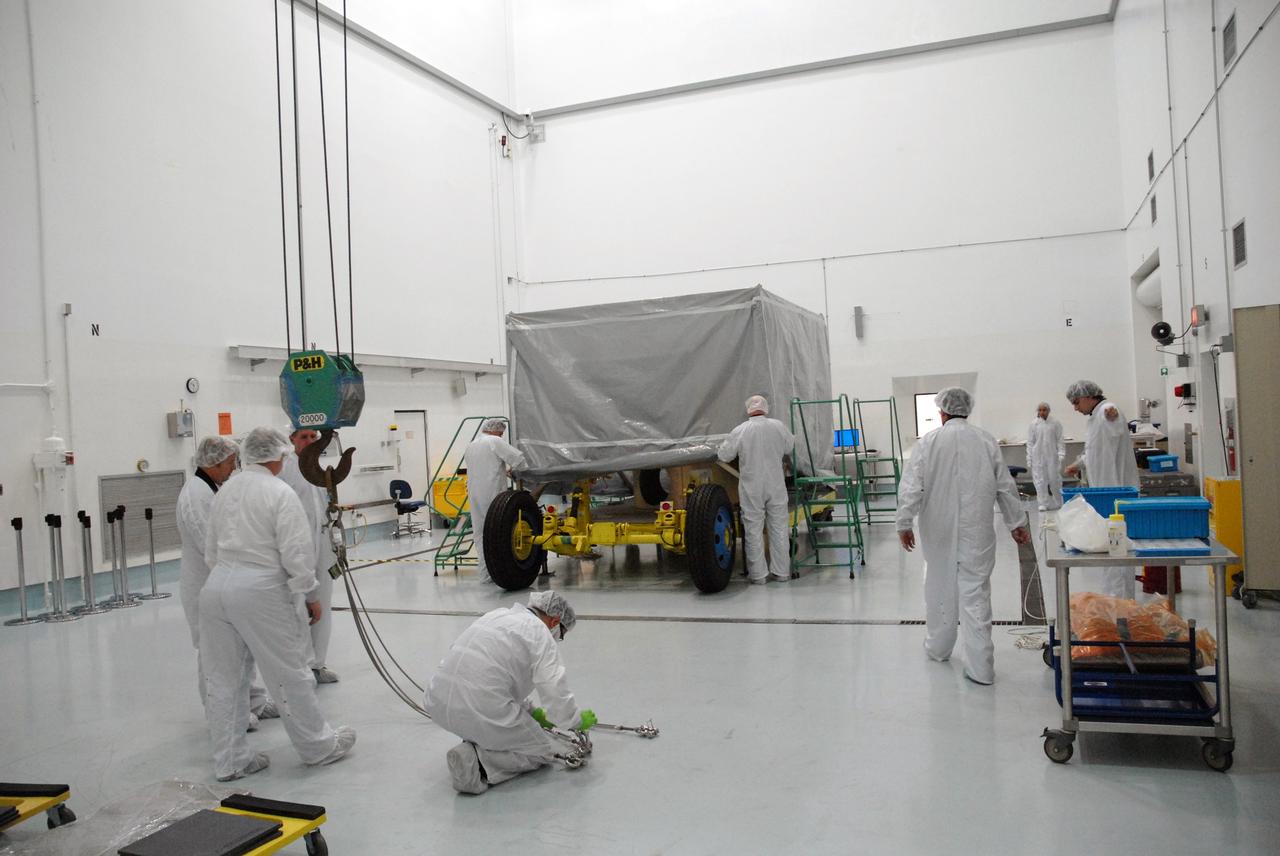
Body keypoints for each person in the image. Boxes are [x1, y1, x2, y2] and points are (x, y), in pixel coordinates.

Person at [199, 427, 355, 781]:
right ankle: (318, 747)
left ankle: (230, 761)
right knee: (289, 672)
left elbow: (210, 549)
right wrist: (310, 595)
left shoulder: (226, 490)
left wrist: (231, 578)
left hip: (216, 588)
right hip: (260, 589)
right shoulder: (279, 492)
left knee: (225, 680)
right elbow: (296, 553)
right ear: (278, 456)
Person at [895, 388, 1031, 685]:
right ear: (966, 410)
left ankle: (939, 648)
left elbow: (912, 486)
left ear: (942, 412)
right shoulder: (985, 440)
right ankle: (981, 668)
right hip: (977, 529)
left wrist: (904, 522)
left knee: (939, 586)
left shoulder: (928, 442)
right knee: (975, 591)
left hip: (938, 530)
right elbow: (1004, 486)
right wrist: (1016, 522)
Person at [424, 590, 596, 794]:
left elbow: (496, 675)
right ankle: (477, 763)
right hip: (478, 707)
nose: (559, 638)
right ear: (554, 621)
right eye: (562, 633)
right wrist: (574, 720)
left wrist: (532, 713)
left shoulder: (497, 615)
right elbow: (553, 685)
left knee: (497, 719)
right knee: (540, 750)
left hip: (437, 701)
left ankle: (481, 737)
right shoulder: (540, 633)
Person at [176, 436, 276, 727]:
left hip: (223, 582)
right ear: (215, 463)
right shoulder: (196, 495)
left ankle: (253, 701)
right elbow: (211, 545)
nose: (233, 469)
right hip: (205, 585)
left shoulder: (212, 489)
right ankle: (223, 715)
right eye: (231, 464)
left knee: (241, 647)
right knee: (214, 655)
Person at [1064, 380, 1140, 599]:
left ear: (1089, 397)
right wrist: (1077, 465)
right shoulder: (1096, 417)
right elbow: (1095, 453)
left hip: (1116, 492)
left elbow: (1113, 425)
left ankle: (1120, 604)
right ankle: (1115, 600)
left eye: (1076, 402)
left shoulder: (1106, 412)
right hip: (1107, 493)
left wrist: (1112, 413)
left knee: (1117, 549)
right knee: (1113, 548)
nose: (1075, 408)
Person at [279, 427, 339, 683]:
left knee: (322, 602)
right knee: (298, 606)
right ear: (291, 439)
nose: (310, 441)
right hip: (297, 546)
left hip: (323, 543)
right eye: (304, 437)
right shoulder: (285, 469)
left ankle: (318, 664)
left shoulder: (321, 469)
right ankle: (301, 667)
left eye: (313, 437)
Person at [718, 395, 795, 584]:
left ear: (748, 410)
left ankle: (759, 576)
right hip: (775, 484)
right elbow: (790, 446)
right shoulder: (778, 426)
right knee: (778, 529)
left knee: (753, 530)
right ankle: (782, 573)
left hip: (752, 486)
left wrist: (718, 447)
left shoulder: (740, 430)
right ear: (766, 408)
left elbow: (725, 455)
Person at [465, 419, 526, 583]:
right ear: (495, 431)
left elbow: (486, 466)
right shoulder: (494, 441)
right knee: (498, 532)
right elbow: (519, 459)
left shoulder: (472, 444)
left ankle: (486, 575)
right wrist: (516, 472)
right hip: (492, 495)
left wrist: (503, 470)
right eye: (501, 432)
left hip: (474, 494)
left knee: (480, 534)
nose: (502, 434)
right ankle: (500, 571)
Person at [1027, 402, 1066, 511]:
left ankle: (1059, 501)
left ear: (1048, 410)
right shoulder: (1034, 424)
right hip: (1038, 457)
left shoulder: (1055, 423)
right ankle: (1043, 503)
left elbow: (1060, 440)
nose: (1042, 412)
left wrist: (1061, 454)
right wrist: (1029, 457)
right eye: (1040, 410)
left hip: (1052, 456)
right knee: (1040, 480)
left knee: (1055, 480)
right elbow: (1030, 442)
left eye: (1044, 410)